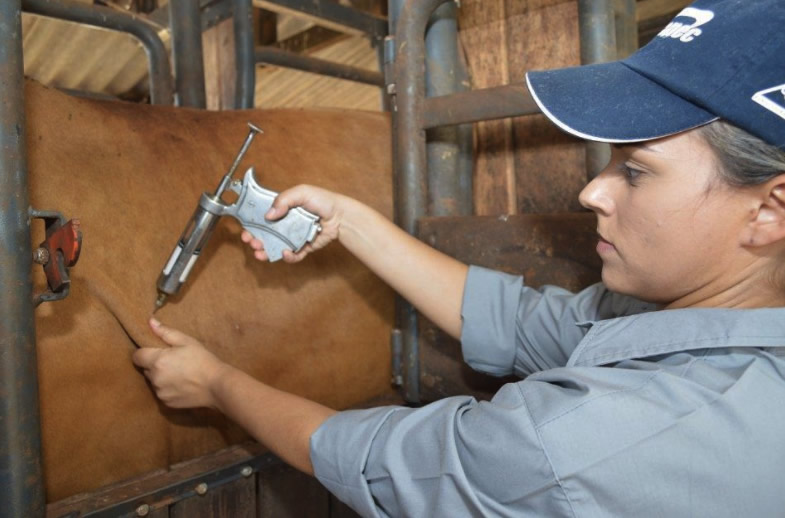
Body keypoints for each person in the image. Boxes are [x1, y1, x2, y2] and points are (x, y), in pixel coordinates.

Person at [133, 0, 785, 516]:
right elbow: (525, 322)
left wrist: (214, 383)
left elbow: (378, 459)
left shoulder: (603, 439)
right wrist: (353, 221)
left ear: (767, 211)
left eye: (636, 172)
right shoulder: (699, 324)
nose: (592, 190)